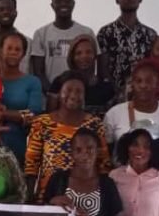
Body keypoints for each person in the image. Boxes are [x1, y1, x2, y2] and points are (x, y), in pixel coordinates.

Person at [25, 72, 110, 202]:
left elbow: (103, 164)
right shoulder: (42, 122)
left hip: (87, 197)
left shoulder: (94, 124)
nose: (74, 95)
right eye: (68, 90)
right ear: (59, 93)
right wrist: (30, 197)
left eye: (79, 91)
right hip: (49, 195)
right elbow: (32, 164)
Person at [103, 57, 159, 168]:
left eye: (149, 81)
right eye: (138, 81)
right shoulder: (113, 114)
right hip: (123, 181)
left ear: (158, 85)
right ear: (132, 84)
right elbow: (109, 154)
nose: (143, 85)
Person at [31, 0, 98, 92]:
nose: (63, 4)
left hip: (79, 96)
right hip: (51, 96)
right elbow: (38, 72)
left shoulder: (87, 32)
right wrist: (53, 93)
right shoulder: (41, 33)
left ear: (73, 4)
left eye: (68, 0)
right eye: (59, 1)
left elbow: (92, 68)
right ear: (52, 5)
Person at [97, 0, 157, 92]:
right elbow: (102, 69)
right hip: (113, 95)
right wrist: (117, 91)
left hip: (145, 93)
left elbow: (153, 66)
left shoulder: (150, 34)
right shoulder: (106, 32)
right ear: (117, 0)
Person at [0, 31, 43, 164]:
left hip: (20, 139)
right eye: (9, 48)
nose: (13, 52)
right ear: (1, 50)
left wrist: (3, 114)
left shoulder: (32, 82)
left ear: (23, 54)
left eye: (17, 49)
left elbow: (33, 115)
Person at [47, 34, 115, 117]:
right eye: (78, 53)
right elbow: (50, 117)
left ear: (95, 56)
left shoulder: (106, 86)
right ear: (72, 57)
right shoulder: (59, 82)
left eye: (88, 52)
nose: (84, 56)